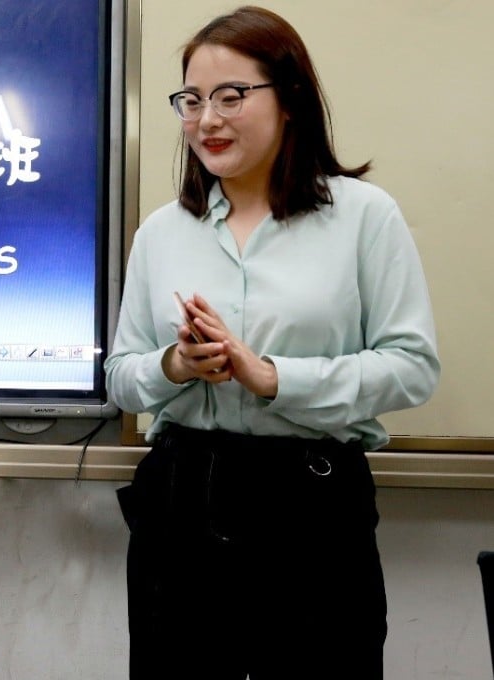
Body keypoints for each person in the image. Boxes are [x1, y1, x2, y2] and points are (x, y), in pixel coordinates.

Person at [105, 6, 439, 679]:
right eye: (191, 100)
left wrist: (274, 377)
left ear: (289, 100)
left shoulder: (363, 217)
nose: (207, 119)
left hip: (312, 502)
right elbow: (121, 375)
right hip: (182, 496)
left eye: (232, 96)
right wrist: (177, 364)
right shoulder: (162, 233)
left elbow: (413, 368)